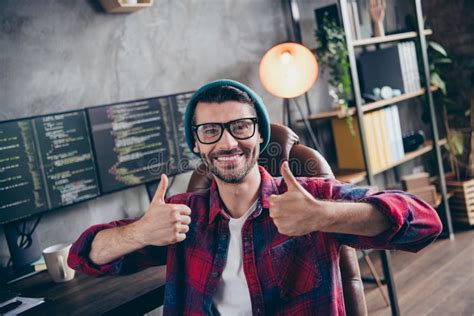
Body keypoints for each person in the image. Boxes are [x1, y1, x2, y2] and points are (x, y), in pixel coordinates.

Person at [68, 79, 443, 315]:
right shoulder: (180, 217)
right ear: (197, 145)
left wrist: (324, 216)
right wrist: (139, 233)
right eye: (211, 131)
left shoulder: (311, 198)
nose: (228, 143)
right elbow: (83, 255)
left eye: (241, 127)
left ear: (260, 136)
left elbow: (425, 222)